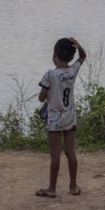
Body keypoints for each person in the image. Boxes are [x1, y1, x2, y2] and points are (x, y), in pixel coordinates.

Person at [35, 37, 87, 198]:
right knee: (71, 152)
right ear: (70, 56)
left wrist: (48, 94)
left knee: (55, 154)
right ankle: (73, 185)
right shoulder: (72, 71)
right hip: (70, 116)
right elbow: (83, 57)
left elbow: (41, 98)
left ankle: (52, 188)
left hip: (55, 119)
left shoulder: (50, 74)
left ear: (55, 55)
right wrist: (79, 46)